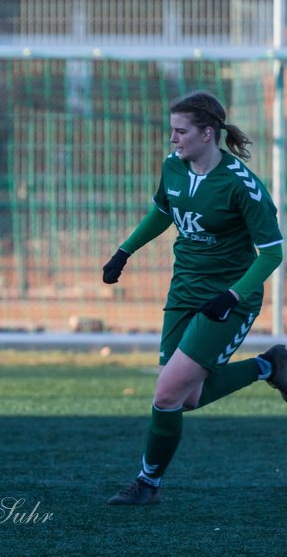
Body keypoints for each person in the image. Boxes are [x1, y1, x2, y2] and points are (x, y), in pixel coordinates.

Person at [102, 90, 287, 506]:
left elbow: (273, 252)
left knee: (165, 394)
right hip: (184, 291)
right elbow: (163, 212)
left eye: (180, 131)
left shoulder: (243, 186)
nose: (173, 139)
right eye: (172, 131)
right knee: (186, 398)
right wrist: (124, 251)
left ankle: (147, 484)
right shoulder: (174, 168)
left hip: (228, 301)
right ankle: (268, 365)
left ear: (208, 134)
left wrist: (232, 294)